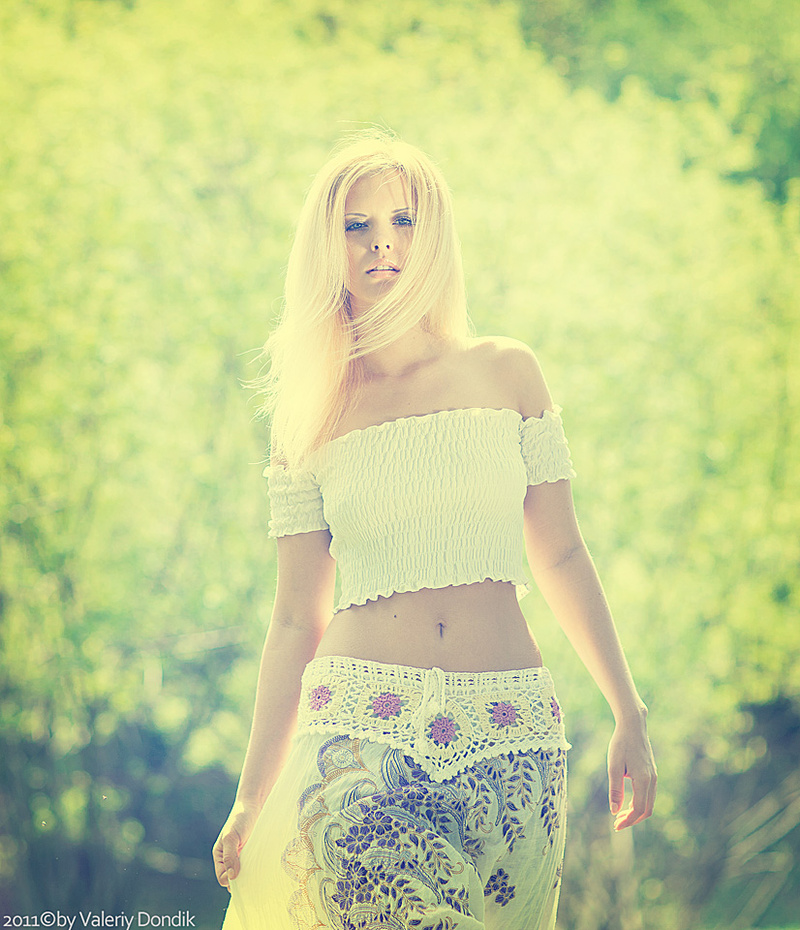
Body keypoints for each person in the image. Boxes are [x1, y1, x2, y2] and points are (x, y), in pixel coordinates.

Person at [212, 132, 657, 930]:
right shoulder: (308, 416)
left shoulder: (508, 371)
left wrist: (628, 710)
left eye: (403, 220)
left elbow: (561, 552)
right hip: (360, 737)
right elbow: (293, 620)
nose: (382, 242)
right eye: (356, 225)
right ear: (326, 247)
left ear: (434, 235)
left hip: (515, 738)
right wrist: (251, 796)